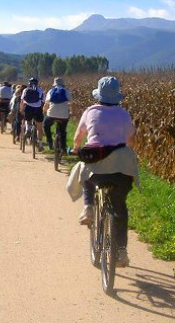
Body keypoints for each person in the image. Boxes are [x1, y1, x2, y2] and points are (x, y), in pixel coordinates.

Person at [66, 76, 139, 267]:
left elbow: (79, 136)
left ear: (99, 95)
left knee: (86, 173)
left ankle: (88, 207)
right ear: (117, 96)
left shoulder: (90, 112)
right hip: (121, 165)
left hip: (96, 161)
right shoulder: (124, 114)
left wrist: (75, 148)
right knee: (120, 206)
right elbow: (132, 141)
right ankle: (121, 251)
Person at [43, 77, 72, 150]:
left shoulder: (51, 91)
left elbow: (46, 104)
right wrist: (71, 113)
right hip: (63, 115)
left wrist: (45, 111)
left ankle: (49, 141)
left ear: (54, 84)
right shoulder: (66, 91)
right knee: (62, 130)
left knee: (46, 125)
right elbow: (71, 103)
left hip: (51, 114)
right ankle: (63, 148)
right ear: (63, 84)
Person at [20, 77, 45, 151]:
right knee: (39, 128)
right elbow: (43, 101)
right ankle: (40, 143)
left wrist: (21, 110)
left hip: (28, 108)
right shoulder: (41, 90)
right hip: (37, 109)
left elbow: (22, 100)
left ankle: (28, 129)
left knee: (28, 120)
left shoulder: (25, 90)